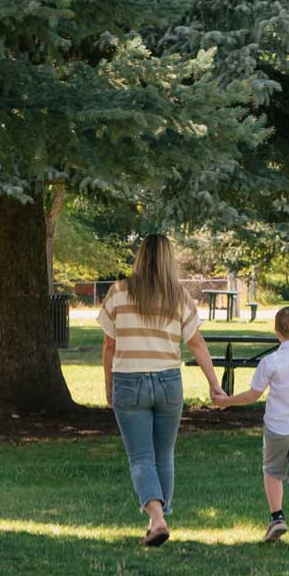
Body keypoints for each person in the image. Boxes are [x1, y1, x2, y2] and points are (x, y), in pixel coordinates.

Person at [98, 234, 222, 547]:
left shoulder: (118, 292)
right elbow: (196, 342)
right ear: (169, 259)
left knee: (141, 457)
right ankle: (160, 519)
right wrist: (214, 383)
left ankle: (157, 519)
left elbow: (109, 345)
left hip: (130, 380)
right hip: (169, 382)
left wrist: (108, 385)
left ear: (140, 257)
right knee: (164, 455)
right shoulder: (178, 296)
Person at [212, 306, 289, 551]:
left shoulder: (271, 361)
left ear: (277, 332)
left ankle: (276, 516)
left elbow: (254, 395)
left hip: (277, 429)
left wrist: (226, 401)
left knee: (272, 472)